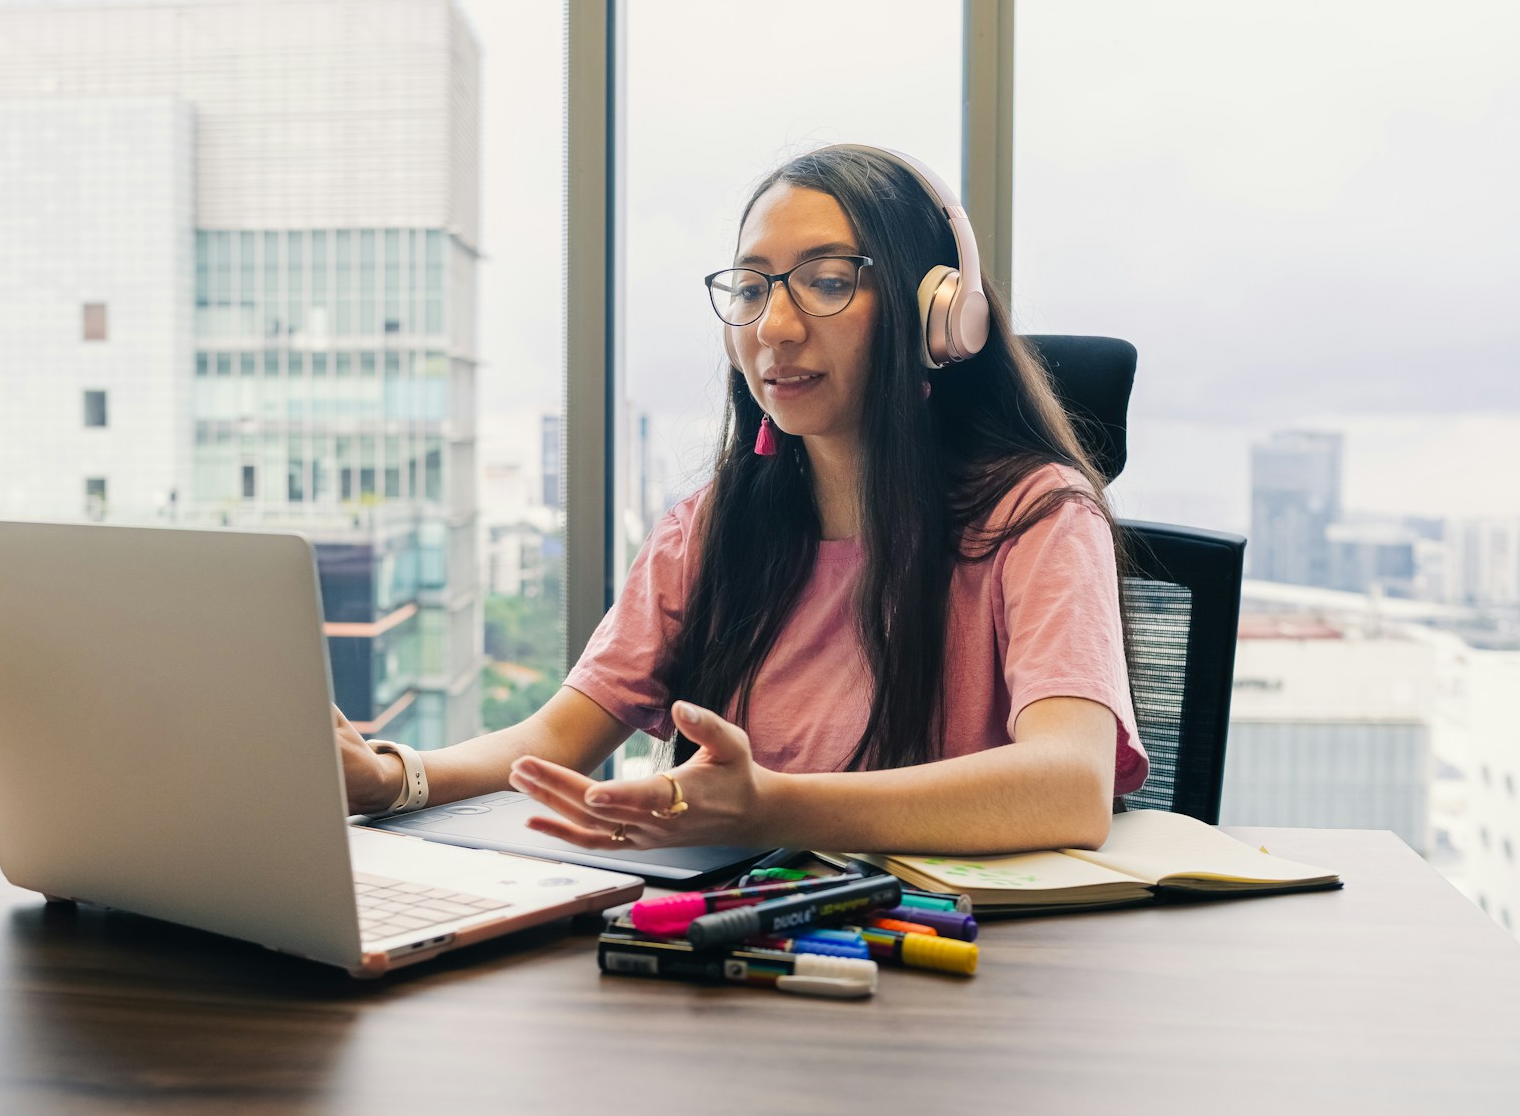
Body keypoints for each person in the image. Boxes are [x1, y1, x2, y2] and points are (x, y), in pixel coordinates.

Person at [336, 143, 1148, 855]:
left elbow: (1068, 786)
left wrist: (773, 808)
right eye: (752, 289)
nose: (775, 327)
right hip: (741, 949)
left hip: (957, 966)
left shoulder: (1038, 518)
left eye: (827, 282)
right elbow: (556, 739)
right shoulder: (710, 527)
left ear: (939, 315)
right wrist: (389, 777)